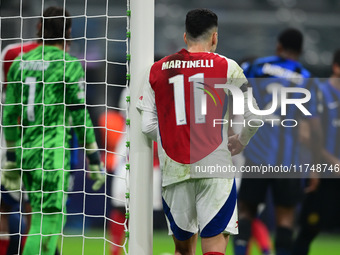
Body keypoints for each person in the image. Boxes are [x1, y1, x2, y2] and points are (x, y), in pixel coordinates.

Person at [137, 9, 260, 255]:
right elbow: (254, 119)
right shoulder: (227, 66)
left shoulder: (158, 69)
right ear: (214, 37)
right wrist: (241, 141)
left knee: (183, 250)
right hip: (215, 167)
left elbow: (147, 126)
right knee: (214, 249)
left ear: (185, 36)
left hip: (174, 171)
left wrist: (170, 139)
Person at [1, 6, 105, 255]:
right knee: (45, 226)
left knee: (36, 220)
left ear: (39, 28)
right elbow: (81, 117)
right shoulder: (68, 65)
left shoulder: (19, 63)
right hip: (52, 156)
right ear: (68, 33)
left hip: (27, 155)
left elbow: (8, 114)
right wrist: (93, 159)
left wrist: (12, 159)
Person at [233, 28, 323, 255]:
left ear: (278, 46)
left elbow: (234, 97)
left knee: (245, 211)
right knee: (285, 218)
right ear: (301, 51)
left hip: (256, 155)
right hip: (288, 160)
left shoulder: (257, 67)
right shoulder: (307, 78)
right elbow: (313, 128)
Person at [292, 49, 340, 255]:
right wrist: (331, 160)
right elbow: (304, 133)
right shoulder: (318, 93)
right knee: (309, 230)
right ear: (336, 67)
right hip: (324, 174)